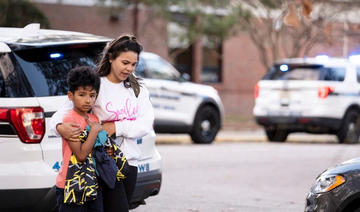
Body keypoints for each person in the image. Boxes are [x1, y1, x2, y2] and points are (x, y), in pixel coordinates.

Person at [50, 35, 155, 212]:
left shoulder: (138, 89)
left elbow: (145, 123)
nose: (129, 68)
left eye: (133, 64)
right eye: (124, 63)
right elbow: (64, 111)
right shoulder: (97, 84)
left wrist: (114, 127)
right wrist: (59, 126)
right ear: (111, 57)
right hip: (103, 163)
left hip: (129, 164)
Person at [55, 66, 103, 212]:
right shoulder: (70, 119)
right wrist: (94, 131)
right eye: (82, 95)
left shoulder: (93, 117)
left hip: (92, 183)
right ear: (71, 96)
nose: (88, 100)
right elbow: (81, 155)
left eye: (92, 95)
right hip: (71, 184)